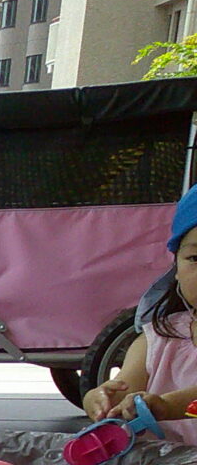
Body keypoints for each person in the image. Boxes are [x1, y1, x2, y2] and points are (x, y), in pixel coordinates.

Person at [82, 185, 197, 444]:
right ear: (175, 269)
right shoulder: (159, 338)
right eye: (195, 258)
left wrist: (167, 406)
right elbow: (125, 390)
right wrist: (99, 400)